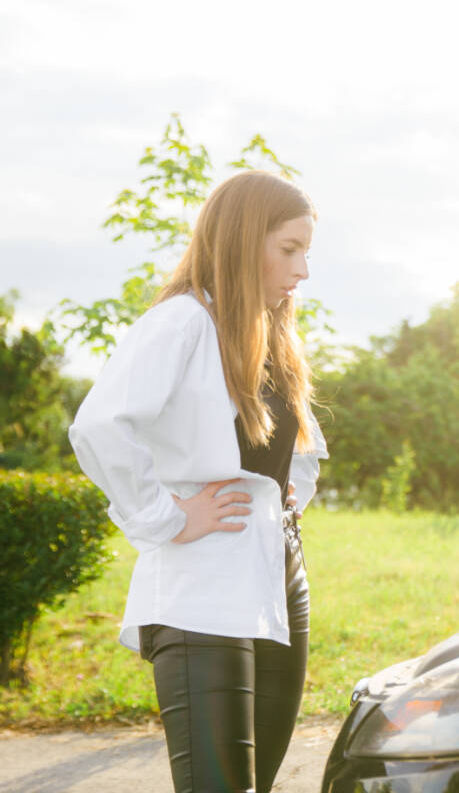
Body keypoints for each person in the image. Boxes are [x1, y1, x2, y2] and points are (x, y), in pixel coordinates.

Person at [69, 170, 328, 792]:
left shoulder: (270, 333)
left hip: (278, 581)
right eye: (288, 250)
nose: (303, 270)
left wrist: (286, 493)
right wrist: (169, 518)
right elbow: (100, 426)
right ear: (243, 241)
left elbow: (293, 447)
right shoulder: (181, 323)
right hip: (202, 588)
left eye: (306, 253)